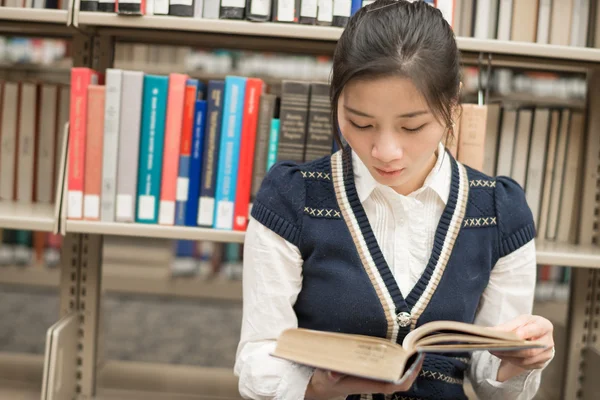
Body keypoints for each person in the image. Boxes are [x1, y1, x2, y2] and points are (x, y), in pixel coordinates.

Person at [234, 1, 555, 399]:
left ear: (453, 105)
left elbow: (495, 387)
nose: (385, 151)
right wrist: (316, 388)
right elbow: (258, 355)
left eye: (412, 126)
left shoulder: (498, 213)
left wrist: (518, 361)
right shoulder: (291, 199)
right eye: (360, 122)